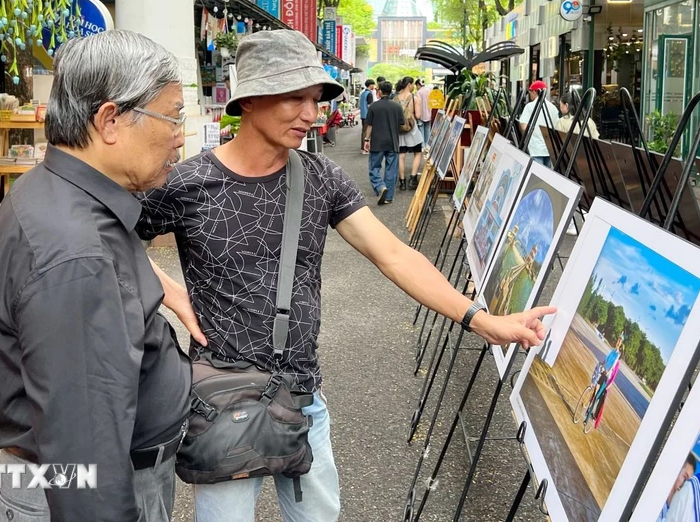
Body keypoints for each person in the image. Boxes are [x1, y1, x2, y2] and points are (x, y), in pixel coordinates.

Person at [138, 29, 556, 522]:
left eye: (314, 99)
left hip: (301, 394)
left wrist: (484, 321)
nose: (311, 114)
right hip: (219, 399)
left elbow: (393, 255)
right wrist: (168, 291)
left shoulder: (321, 178)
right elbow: (113, 234)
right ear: (249, 100)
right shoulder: (188, 182)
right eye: (294, 97)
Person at [0, 31, 204, 521]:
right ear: (110, 120)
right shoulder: (76, 256)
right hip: (79, 484)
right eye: (174, 115)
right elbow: (84, 453)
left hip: (42, 475)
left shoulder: (52, 187)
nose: (182, 134)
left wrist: (30, 334)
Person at [364, 80, 404, 205]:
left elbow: (369, 125)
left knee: (374, 168)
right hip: (393, 141)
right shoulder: (397, 106)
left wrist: (366, 140)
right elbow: (401, 124)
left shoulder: (374, 107)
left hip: (377, 142)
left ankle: (380, 186)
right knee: (391, 169)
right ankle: (389, 197)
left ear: (380, 92)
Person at [518, 80, 560, 167]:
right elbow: (556, 128)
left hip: (534, 148)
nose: (530, 94)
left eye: (530, 92)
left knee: (536, 175)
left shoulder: (529, 107)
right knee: (546, 175)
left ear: (534, 92)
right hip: (549, 148)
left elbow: (524, 127)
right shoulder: (553, 108)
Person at [394, 76, 423, 191]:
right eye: (412, 85)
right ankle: (413, 178)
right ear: (409, 84)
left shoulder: (395, 99)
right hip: (412, 130)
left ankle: (402, 182)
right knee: (417, 153)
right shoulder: (414, 98)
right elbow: (418, 116)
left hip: (399, 131)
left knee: (401, 156)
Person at [658, 455, 697, 521]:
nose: (685, 484)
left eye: (688, 481)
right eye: (684, 477)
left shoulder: (678, 512)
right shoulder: (657, 495)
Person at [415, 78, 433, 148]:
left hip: (421, 114)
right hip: (428, 114)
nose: (416, 87)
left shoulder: (419, 92)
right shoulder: (429, 91)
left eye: (416, 86)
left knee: (421, 130)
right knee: (428, 130)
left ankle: (422, 146)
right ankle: (428, 145)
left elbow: (417, 104)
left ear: (418, 84)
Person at [359, 79, 376, 154]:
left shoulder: (363, 93)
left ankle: (363, 148)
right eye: (373, 84)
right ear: (371, 85)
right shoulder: (369, 94)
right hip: (367, 115)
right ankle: (365, 148)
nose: (374, 86)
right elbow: (370, 106)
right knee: (367, 132)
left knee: (363, 131)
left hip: (362, 114)